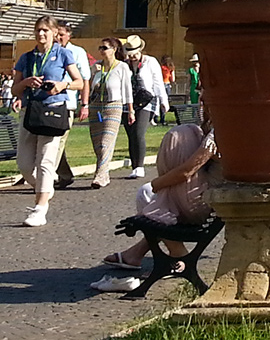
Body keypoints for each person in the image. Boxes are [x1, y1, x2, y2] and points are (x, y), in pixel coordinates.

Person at [90, 122, 218, 293]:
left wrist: (158, 183)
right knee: (149, 196)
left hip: (202, 204)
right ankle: (138, 254)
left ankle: (178, 257)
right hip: (209, 199)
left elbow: (187, 170)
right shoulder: (216, 129)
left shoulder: (218, 131)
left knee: (148, 195)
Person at [13, 16, 86, 227]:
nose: (41, 34)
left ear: (54, 32)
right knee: (25, 164)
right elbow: (14, 89)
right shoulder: (26, 58)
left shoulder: (64, 54)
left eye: (45, 30)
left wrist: (62, 85)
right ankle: (45, 188)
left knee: (46, 160)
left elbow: (79, 82)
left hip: (53, 111)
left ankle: (40, 207)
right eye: (38, 30)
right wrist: (26, 82)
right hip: (30, 112)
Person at [119, 35, 169, 178]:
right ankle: (134, 166)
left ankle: (140, 166)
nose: (132, 57)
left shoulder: (150, 62)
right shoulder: (125, 64)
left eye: (135, 53)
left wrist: (163, 101)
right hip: (129, 101)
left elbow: (158, 82)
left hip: (147, 100)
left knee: (138, 132)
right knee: (131, 134)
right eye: (130, 54)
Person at [50, 22, 93, 187]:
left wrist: (85, 104)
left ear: (69, 35)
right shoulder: (49, 50)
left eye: (62, 34)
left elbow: (85, 79)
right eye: (57, 34)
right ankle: (64, 174)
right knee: (52, 139)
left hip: (67, 102)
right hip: (48, 102)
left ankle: (48, 174)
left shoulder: (77, 52)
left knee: (59, 140)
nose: (59, 37)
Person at [86, 37, 132, 188]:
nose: (101, 51)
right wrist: (94, 74)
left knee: (106, 142)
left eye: (104, 48)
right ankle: (104, 173)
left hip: (113, 106)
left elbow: (127, 89)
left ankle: (100, 175)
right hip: (96, 107)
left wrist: (130, 110)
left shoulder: (122, 67)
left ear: (114, 50)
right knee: (97, 144)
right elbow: (90, 87)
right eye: (100, 48)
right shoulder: (97, 67)